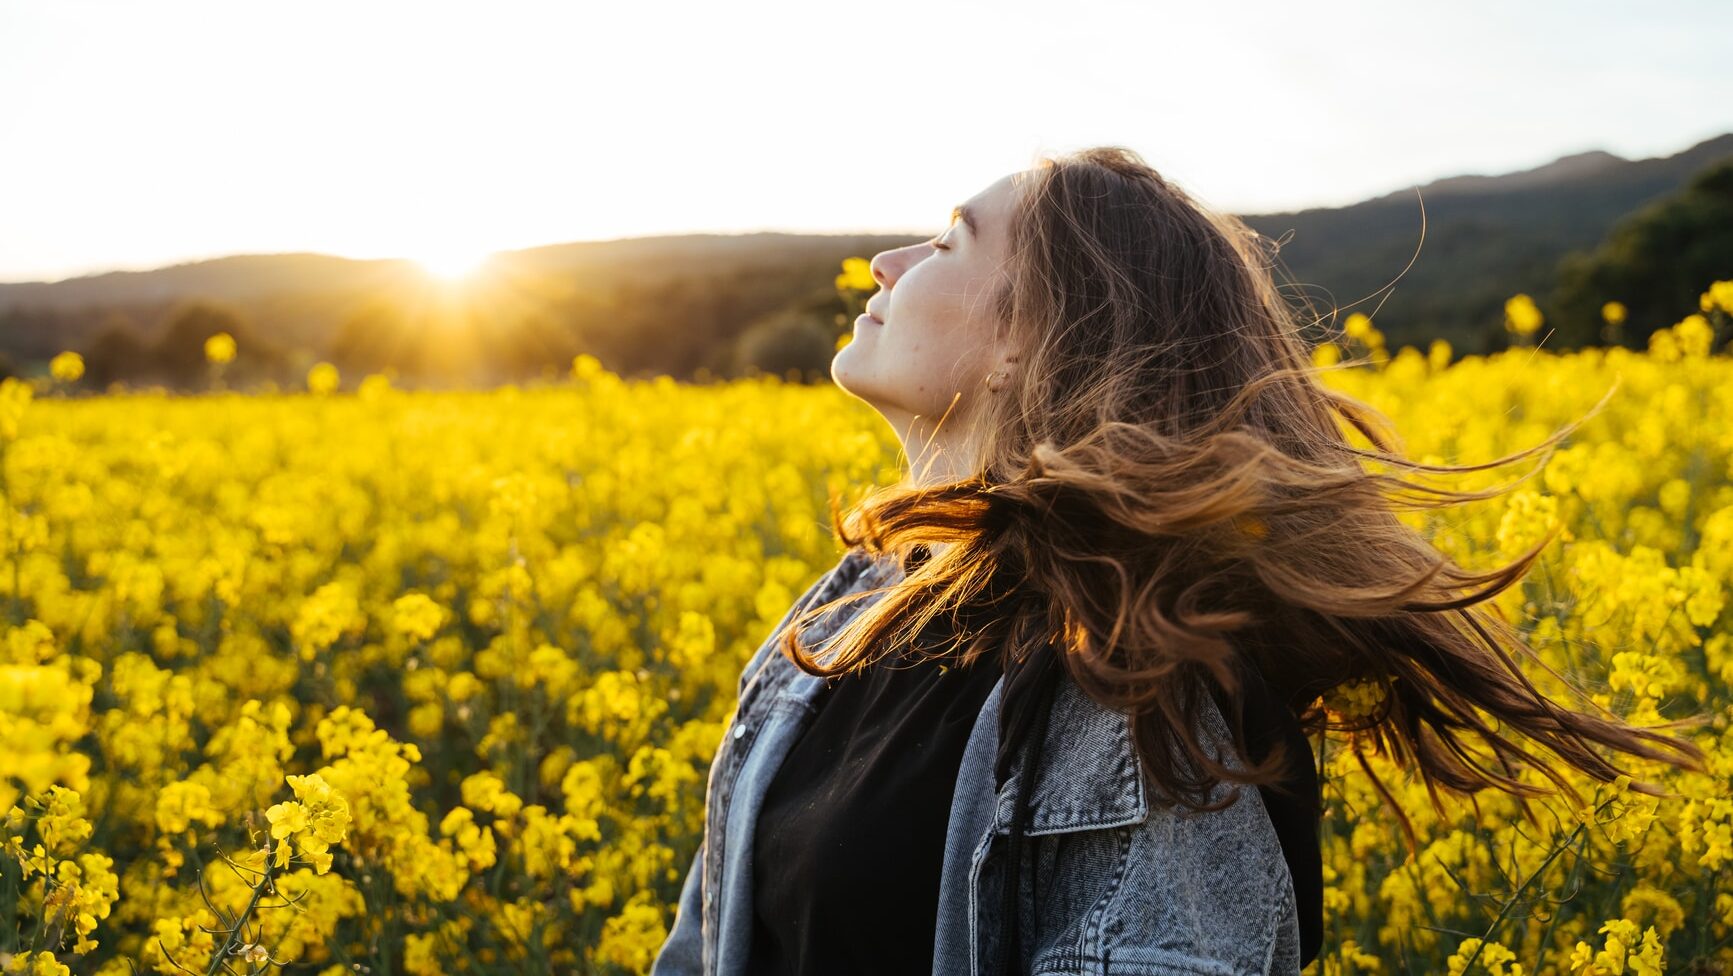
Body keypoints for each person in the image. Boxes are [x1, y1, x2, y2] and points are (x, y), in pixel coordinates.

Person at [650, 146, 1708, 976]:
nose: (885, 263)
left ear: (1034, 334)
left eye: (946, 242)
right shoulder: (844, 610)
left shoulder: (1131, 695)